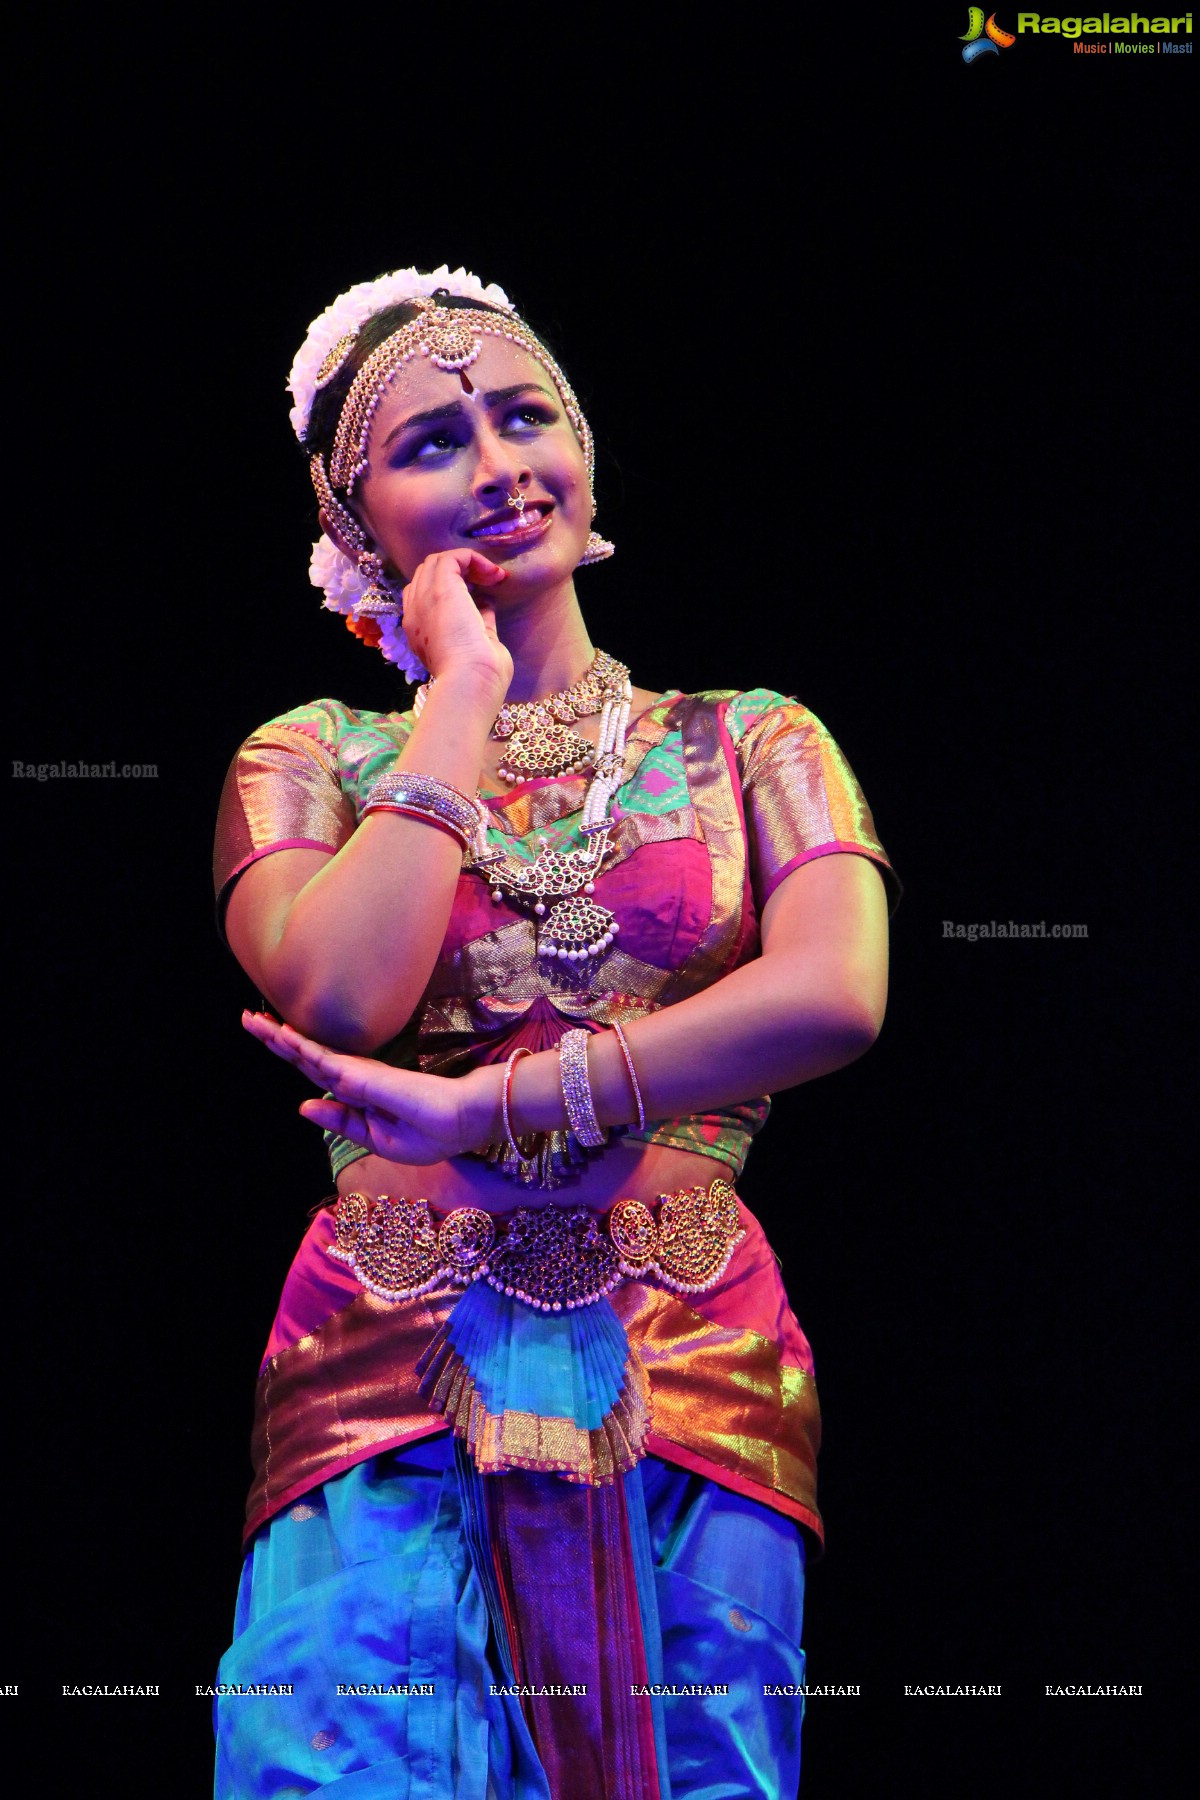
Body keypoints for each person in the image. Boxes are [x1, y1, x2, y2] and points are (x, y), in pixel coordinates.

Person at [211, 265, 898, 1799]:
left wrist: (482, 1111)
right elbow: (339, 994)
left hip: (692, 1348)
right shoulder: (310, 758)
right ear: (352, 524)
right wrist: (453, 693)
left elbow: (835, 996)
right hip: (381, 1357)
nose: (500, 463)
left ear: (585, 455)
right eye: (434, 442)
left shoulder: (752, 739)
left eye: (528, 417)